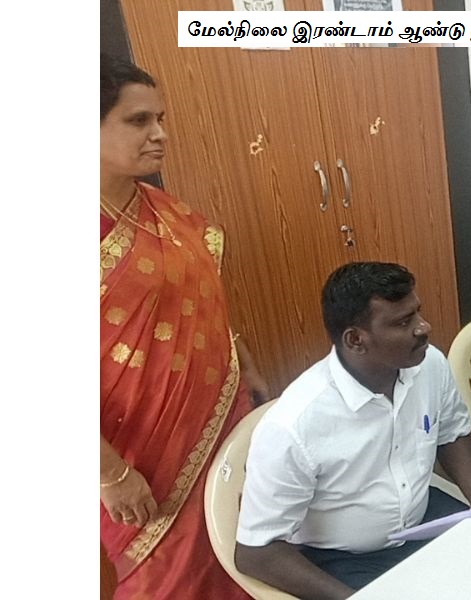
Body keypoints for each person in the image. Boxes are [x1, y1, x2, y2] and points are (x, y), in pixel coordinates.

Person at [100, 53, 269, 599]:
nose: (160, 134)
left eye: (160, 118)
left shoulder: (161, 208)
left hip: (219, 412)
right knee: (171, 578)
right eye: (138, 121)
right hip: (135, 450)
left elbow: (200, 298)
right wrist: (110, 475)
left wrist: (245, 363)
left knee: (242, 546)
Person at [234, 262, 471, 598]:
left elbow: (451, 432)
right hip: (343, 558)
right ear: (356, 340)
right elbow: (255, 554)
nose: (423, 327)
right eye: (403, 322)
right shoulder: (293, 426)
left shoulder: (429, 364)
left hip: (424, 522)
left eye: (417, 313)